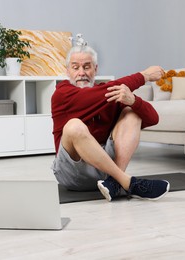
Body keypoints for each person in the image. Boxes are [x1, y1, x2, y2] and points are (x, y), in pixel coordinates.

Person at [51, 45, 170, 202]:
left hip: (105, 171)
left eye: (87, 67)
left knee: (131, 112)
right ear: (68, 71)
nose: (81, 73)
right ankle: (127, 182)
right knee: (73, 126)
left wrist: (134, 101)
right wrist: (144, 76)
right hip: (72, 174)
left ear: (95, 69)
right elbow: (97, 95)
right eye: (75, 67)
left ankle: (114, 183)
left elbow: (153, 118)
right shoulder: (62, 93)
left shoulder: (109, 93)